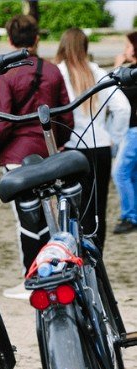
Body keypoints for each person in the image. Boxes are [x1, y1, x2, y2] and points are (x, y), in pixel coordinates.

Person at [0, 14, 74, 300]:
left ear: (10, 40)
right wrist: (55, 145)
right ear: (36, 39)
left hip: (17, 157)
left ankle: (32, 276)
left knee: (26, 221)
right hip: (48, 153)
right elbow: (65, 117)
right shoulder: (51, 71)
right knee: (51, 217)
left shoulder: (6, 75)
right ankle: (56, 271)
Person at [56, 28, 130, 253]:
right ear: (85, 48)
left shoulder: (58, 73)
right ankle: (96, 260)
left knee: (69, 208)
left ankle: (72, 254)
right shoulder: (98, 72)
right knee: (97, 210)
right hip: (99, 147)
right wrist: (113, 137)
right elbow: (122, 108)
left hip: (70, 147)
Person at [112, 32, 137, 235]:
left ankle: (130, 216)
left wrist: (116, 69)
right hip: (133, 130)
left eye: (128, 45)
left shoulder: (133, 73)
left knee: (120, 173)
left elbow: (117, 93)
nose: (125, 49)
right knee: (132, 174)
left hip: (134, 131)